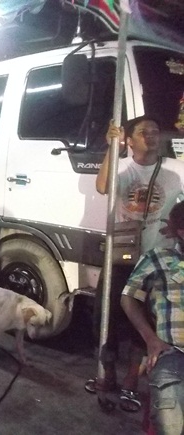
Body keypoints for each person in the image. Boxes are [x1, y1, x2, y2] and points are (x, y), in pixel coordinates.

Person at [86, 116, 184, 412]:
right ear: (129, 140)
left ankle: (130, 383)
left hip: (157, 260)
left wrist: (175, 226)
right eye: (144, 132)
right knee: (105, 319)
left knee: (144, 324)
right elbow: (103, 186)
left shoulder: (176, 170)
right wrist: (111, 148)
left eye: (155, 131)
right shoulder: (122, 167)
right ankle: (108, 376)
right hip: (122, 258)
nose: (152, 136)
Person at [121, 200, 184, 435]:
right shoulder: (159, 258)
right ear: (181, 232)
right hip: (173, 353)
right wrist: (150, 338)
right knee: (171, 425)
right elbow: (128, 297)